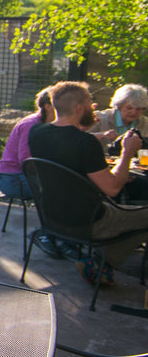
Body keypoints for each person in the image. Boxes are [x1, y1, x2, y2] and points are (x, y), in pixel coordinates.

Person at [28, 81, 148, 284]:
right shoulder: (86, 143)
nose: (94, 106)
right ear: (79, 108)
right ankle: (102, 262)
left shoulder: (37, 133)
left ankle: (100, 262)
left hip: (51, 218)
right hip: (91, 222)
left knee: (130, 213)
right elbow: (112, 189)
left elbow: (68, 158)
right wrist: (127, 152)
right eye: (91, 102)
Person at [0, 87, 54, 200]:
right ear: (48, 106)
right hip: (13, 179)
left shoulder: (49, 124)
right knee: (61, 187)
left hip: (25, 176)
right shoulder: (30, 125)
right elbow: (26, 162)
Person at [90, 83, 148, 154]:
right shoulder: (99, 118)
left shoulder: (145, 123)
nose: (134, 112)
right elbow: (79, 139)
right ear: (119, 106)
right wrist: (102, 135)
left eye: (138, 109)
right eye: (129, 108)